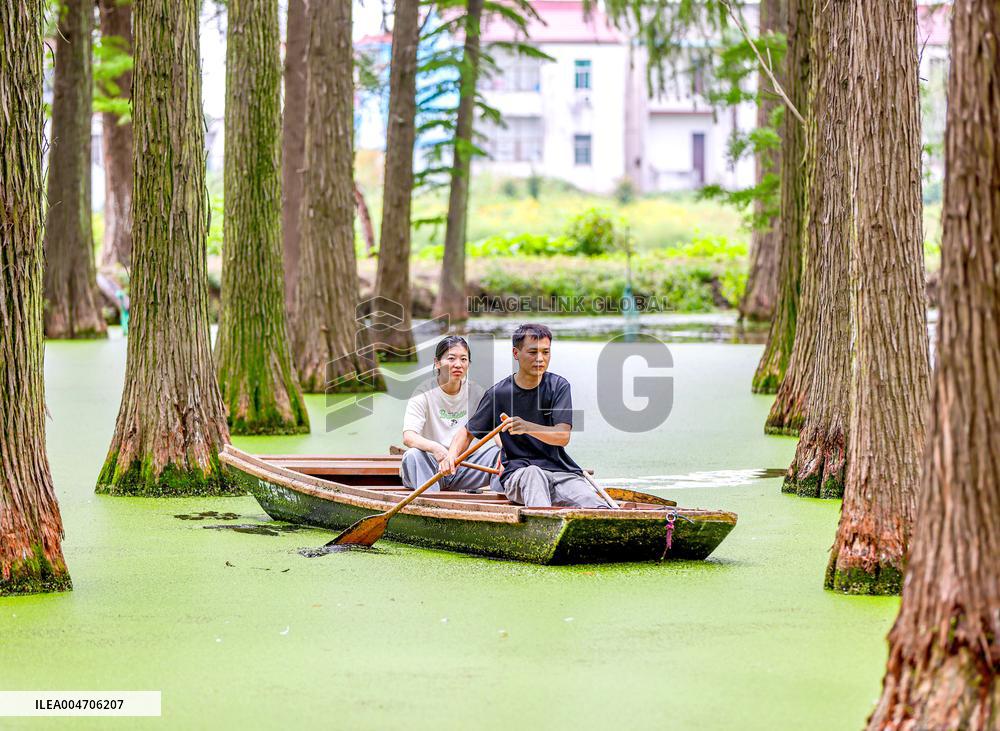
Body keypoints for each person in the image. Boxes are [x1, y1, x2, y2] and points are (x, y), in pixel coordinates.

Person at [444, 323, 612, 508]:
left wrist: (527, 427)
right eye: (533, 352)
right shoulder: (498, 394)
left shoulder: (558, 386)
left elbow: (562, 437)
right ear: (516, 353)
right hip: (519, 473)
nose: (540, 359)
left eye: (545, 352)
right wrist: (451, 456)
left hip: (561, 471)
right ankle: (543, 522)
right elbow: (467, 433)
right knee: (533, 474)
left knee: (592, 502)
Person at [400, 336, 501, 491]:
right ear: (437, 362)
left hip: (465, 467)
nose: (458, 365)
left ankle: (500, 505)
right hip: (432, 468)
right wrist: (436, 449)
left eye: (464, 359)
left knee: (502, 453)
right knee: (412, 455)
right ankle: (431, 505)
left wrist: (506, 450)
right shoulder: (423, 393)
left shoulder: (477, 393)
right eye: (451, 358)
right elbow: (409, 437)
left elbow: (497, 432)